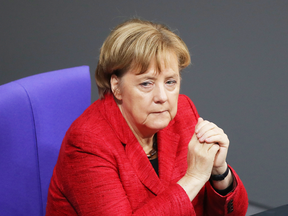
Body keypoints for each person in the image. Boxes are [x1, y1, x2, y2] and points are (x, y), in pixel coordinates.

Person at [46, 18, 248, 215]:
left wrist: (219, 172)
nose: (162, 97)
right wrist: (193, 178)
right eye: (146, 83)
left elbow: (236, 212)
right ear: (116, 86)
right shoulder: (88, 142)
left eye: (170, 82)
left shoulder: (183, 113)